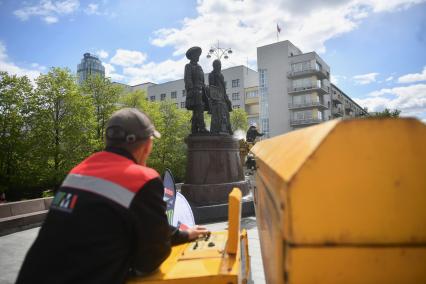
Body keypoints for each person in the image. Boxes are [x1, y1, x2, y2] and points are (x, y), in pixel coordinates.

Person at [16, 108, 209, 284]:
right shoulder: (142, 179)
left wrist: (182, 234)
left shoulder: (79, 172)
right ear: (147, 145)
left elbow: (105, 223)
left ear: (108, 141)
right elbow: (149, 260)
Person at [184, 46, 209, 134]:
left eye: (199, 55)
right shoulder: (188, 66)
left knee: (197, 111)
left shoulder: (200, 67)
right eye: (196, 55)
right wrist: (192, 90)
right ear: (192, 56)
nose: (198, 57)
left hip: (202, 92)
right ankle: (202, 128)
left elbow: (202, 81)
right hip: (195, 92)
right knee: (199, 108)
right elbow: (188, 80)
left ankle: (194, 129)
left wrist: (205, 88)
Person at [208, 59, 233, 135]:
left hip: (222, 96)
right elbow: (211, 87)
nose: (220, 67)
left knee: (226, 111)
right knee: (219, 108)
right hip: (216, 97)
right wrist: (214, 98)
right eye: (218, 65)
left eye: (220, 65)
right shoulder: (211, 74)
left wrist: (226, 98)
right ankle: (218, 128)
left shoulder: (221, 75)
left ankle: (227, 128)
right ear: (214, 66)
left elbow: (224, 88)